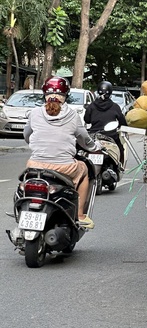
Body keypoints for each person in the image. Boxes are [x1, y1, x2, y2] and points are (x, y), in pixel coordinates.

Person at [24, 76, 101, 229]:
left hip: (35, 165)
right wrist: (96, 147)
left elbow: (27, 135)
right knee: (84, 171)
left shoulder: (35, 113)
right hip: (64, 166)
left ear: (44, 94)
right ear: (65, 95)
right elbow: (84, 140)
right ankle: (79, 215)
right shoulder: (72, 115)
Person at [84, 80, 127, 166]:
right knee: (121, 149)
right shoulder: (115, 107)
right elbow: (123, 122)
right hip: (111, 136)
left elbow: (87, 120)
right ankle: (120, 166)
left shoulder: (92, 106)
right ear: (110, 93)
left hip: (94, 136)